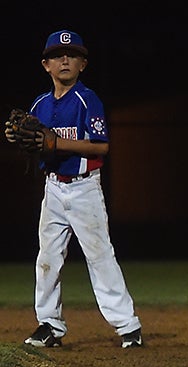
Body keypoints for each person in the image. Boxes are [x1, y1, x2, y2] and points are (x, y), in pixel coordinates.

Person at [4, 30, 142, 348]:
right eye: (56, 55)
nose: (64, 59)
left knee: (100, 257)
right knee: (47, 258)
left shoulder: (87, 99)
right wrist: (17, 140)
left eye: (71, 54)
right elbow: (34, 142)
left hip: (84, 190)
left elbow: (102, 147)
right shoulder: (39, 104)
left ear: (83, 63)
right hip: (52, 189)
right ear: (45, 65)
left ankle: (128, 327)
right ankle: (50, 325)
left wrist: (57, 142)